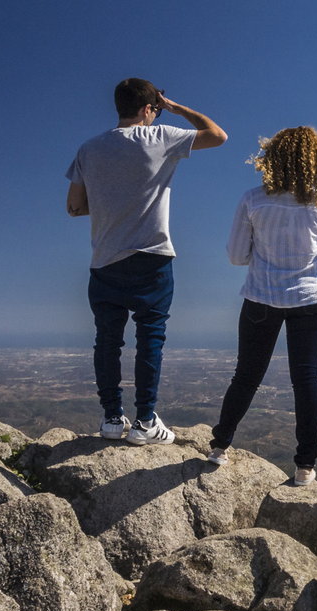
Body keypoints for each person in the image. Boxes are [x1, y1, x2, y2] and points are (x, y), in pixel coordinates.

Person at [66, 78, 227, 444]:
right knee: (150, 338)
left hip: (105, 260)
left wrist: (111, 203)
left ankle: (110, 419)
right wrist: (175, 108)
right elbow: (217, 135)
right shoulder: (161, 137)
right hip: (151, 258)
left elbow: (74, 207)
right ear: (147, 108)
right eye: (154, 108)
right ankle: (144, 423)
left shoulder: (88, 149)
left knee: (107, 341)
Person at [208, 126, 317, 485]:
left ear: (271, 158)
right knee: (306, 379)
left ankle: (219, 446)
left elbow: (237, 257)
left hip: (260, 298)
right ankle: (305, 467)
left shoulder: (253, 200)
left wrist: (265, 258)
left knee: (246, 376)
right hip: (311, 300)